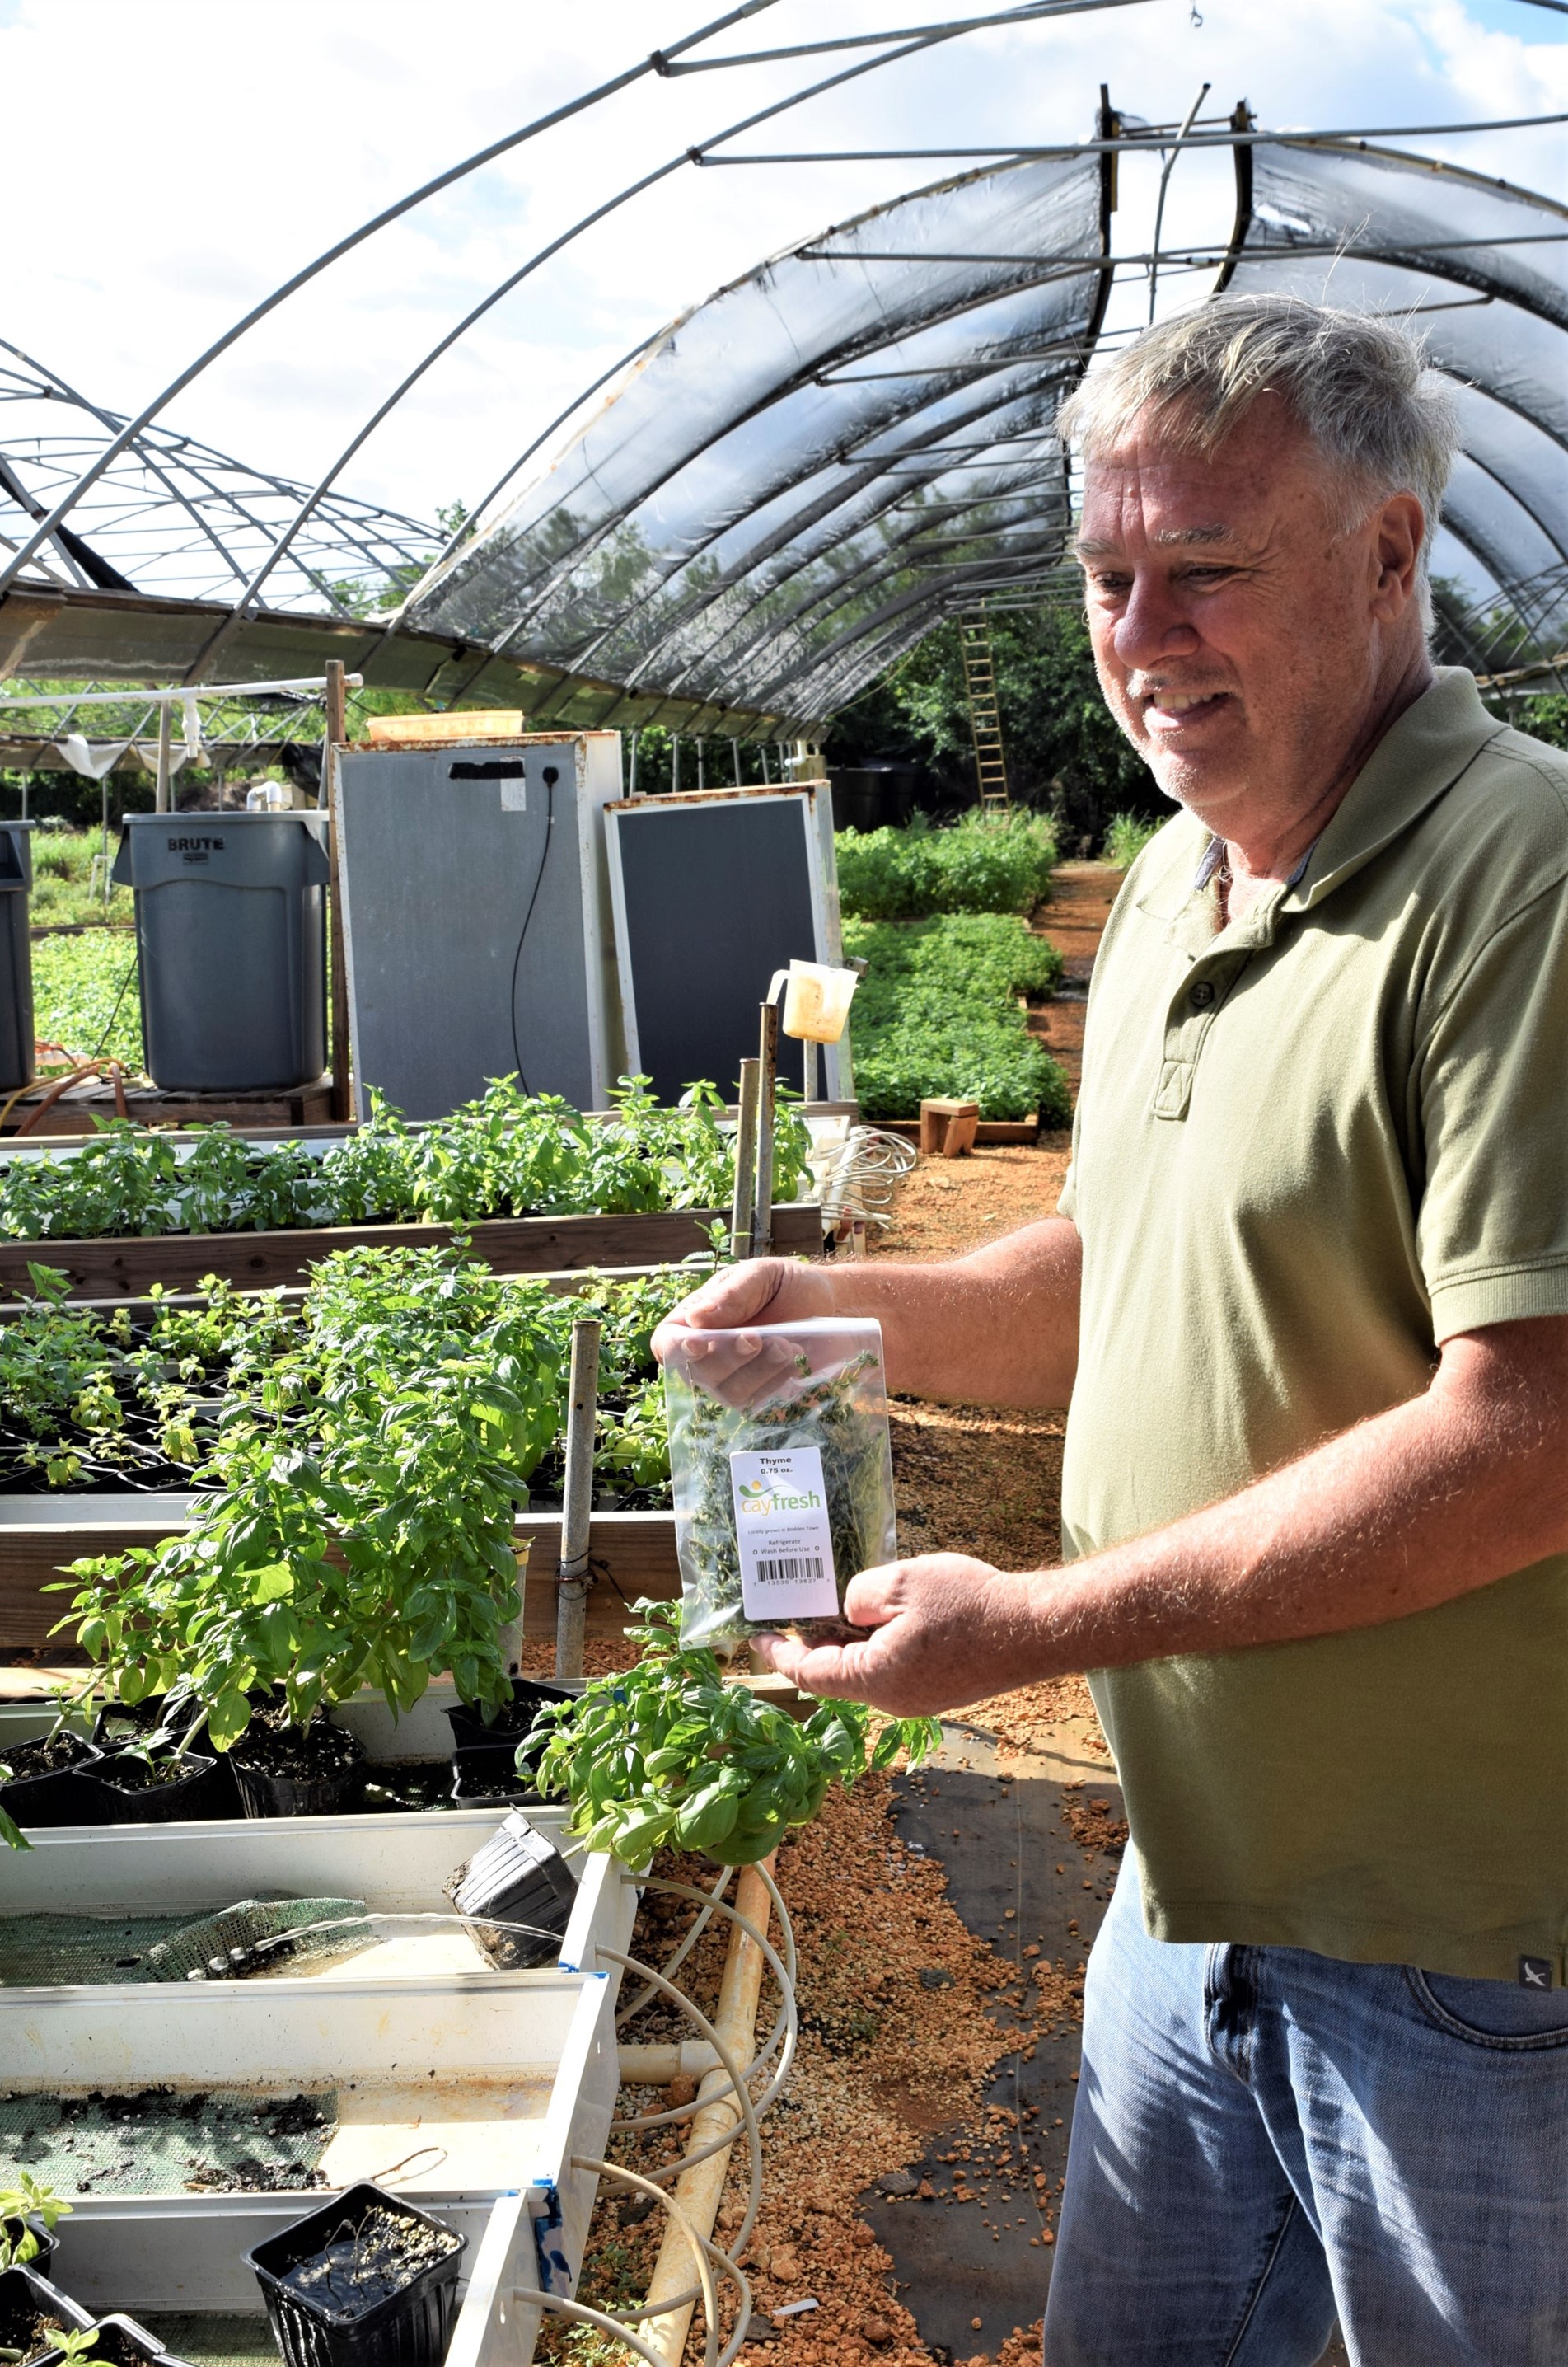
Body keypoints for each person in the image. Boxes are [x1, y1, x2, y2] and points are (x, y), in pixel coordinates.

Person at [653, 297, 1568, 2365]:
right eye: (1109, 577)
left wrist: (1041, 1628)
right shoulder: (1180, 880)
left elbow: (1533, 1432)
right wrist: (840, 1304)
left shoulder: (1527, 883)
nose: (1145, 635)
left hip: (1468, 1954)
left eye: (1211, 572)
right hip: (1187, 1894)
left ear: (1390, 557)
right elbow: (1116, 1264)